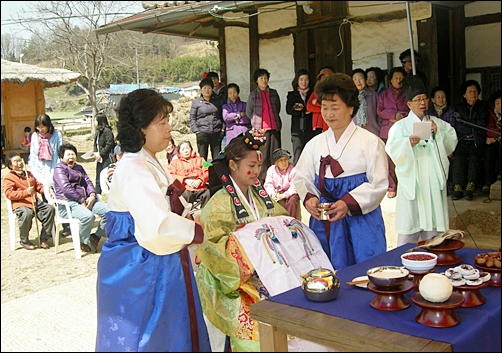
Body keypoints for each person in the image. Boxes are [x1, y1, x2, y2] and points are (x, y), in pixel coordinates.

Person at [195, 129, 334, 352]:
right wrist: (244, 244)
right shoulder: (219, 203)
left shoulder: (261, 198)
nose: (257, 171)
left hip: (270, 274)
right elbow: (212, 249)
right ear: (233, 165)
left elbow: (282, 224)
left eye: (259, 166)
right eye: (251, 166)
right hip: (238, 282)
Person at [95, 88, 211, 352]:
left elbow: (170, 210)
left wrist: (191, 218)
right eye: (162, 123)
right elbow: (158, 227)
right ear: (141, 129)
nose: (170, 129)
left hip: (157, 262)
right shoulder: (134, 169)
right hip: (141, 268)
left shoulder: (149, 161)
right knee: (150, 336)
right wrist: (197, 230)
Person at [294, 73, 389, 270]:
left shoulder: (370, 143)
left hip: (361, 221)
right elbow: (302, 176)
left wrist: (347, 203)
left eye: (335, 108)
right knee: (328, 274)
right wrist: (310, 197)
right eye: (325, 108)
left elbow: (378, 184)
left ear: (351, 108)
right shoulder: (314, 144)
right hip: (326, 219)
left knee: (366, 271)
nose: (328, 114)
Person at [385, 76, 458, 246]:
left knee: (434, 231)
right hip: (413, 182)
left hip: (432, 181)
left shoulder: (437, 123)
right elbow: (392, 149)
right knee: (410, 226)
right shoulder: (400, 127)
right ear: (409, 104)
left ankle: (435, 255)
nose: (422, 102)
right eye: (417, 99)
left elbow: (451, 143)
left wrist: (438, 132)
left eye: (424, 98)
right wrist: (407, 144)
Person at [53, 143, 107, 253]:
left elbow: (88, 182)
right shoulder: (59, 169)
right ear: (61, 157)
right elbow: (66, 188)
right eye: (68, 155)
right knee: (88, 216)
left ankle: (96, 237)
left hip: (86, 201)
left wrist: (92, 195)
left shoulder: (79, 168)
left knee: (111, 212)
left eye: (73, 154)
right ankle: (83, 241)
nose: (71, 157)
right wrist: (81, 200)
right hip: (68, 204)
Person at [2, 151, 54, 250]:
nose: (19, 163)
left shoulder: (29, 174)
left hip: (34, 201)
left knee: (49, 209)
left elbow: (38, 186)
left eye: (20, 160)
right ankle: (24, 240)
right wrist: (25, 192)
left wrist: (46, 191)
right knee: (27, 213)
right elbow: (9, 194)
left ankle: (44, 238)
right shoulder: (8, 178)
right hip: (20, 203)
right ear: (10, 165)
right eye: (16, 162)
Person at [451, 79, 489, 200]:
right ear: (464, 94)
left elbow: (482, 123)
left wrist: (467, 124)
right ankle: (458, 188)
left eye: (475, 91)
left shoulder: (483, 106)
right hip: (462, 140)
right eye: (470, 91)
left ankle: (470, 188)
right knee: (458, 158)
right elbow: (458, 125)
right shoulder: (459, 108)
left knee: (474, 158)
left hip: (476, 141)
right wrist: (472, 126)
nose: (473, 93)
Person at [246, 68, 283, 183]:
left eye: (265, 78)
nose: (264, 80)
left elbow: (278, 108)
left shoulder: (273, 93)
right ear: (256, 80)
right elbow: (249, 112)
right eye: (261, 78)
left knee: (275, 155)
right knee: (263, 157)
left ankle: (276, 180)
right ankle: (262, 181)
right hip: (260, 131)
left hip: (274, 128)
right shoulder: (253, 95)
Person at [377, 67, 409, 198]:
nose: (398, 80)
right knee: (388, 160)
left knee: (403, 158)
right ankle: (392, 186)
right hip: (387, 130)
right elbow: (379, 110)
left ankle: (404, 186)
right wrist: (393, 114)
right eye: (396, 77)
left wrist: (401, 115)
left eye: (401, 78)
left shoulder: (407, 94)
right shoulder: (383, 95)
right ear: (390, 79)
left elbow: (411, 110)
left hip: (403, 130)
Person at [427, 86, 456, 195]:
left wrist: (449, 146)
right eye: (438, 97)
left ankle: (450, 184)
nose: (441, 99)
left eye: (443, 97)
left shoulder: (451, 110)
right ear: (433, 99)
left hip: (446, 140)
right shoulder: (428, 112)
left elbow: (451, 128)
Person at [189, 77, 225, 161]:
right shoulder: (196, 102)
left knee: (217, 158)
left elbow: (222, 116)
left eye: (209, 88)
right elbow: (192, 118)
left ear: (212, 89)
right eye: (204, 88)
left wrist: (222, 129)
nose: (207, 90)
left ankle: (216, 173)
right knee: (202, 158)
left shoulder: (217, 102)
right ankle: (203, 173)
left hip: (216, 132)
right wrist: (196, 131)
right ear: (201, 89)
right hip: (202, 133)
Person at [168, 140, 211, 208]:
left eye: (187, 148)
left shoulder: (200, 160)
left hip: (200, 187)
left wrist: (200, 180)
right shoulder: (174, 163)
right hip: (185, 188)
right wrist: (185, 180)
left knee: (207, 193)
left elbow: (208, 171)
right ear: (179, 152)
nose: (186, 151)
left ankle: (205, 215)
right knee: (183, 195)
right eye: (183, 149)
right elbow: (171, 175)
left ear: (191, 149)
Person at [286, 68, 314, 165]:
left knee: (311, 156)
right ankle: (297, 178)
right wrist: (305, 111)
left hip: (311, 129)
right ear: (297, 81)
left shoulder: (313, 94)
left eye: (306, 79)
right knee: (298, 156)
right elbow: (289, 110)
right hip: (297, 130)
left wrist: (300, 109)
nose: (304, 82)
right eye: (301, 79)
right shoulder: (292, 95)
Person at [28, 114, 63, 190]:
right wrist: (33, 168)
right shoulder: (34, 136)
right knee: (45, 193)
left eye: (43, 127)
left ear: (48, 125)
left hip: (54, 168)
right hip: (40, 169)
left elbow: (60, 154)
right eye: (38, 127)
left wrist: (57, 169)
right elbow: (33, 154)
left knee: (56, 195)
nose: (40, 129)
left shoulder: (57, 135)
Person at [263, 148, 301, 220]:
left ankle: (289, 220)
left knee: (292, 201)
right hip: (277, 192)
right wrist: (273, 194)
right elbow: (268, 184)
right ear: (276, 162)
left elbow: (294, 186)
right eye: (281, 160)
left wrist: (285, 195)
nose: (284, 162)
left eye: (286, 159)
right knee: (271, 201)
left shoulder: (292, 170)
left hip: (290, 192)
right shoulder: (271, 170)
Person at [306, 66, 336, 136]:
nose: (325, 79)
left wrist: (316, 102)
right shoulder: (316, 91)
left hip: (331, 123)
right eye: (323, 77)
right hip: (317, 125)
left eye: (328, 77)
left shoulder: (336, 91)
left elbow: (332, 104)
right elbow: (308, 106)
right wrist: (324, 108)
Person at [351, 68, 381, 137]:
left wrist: (378, 127)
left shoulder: (373, 95)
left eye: (360, 78)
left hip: (372, 133)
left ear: (366, 80)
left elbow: (379, 114)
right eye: (355, 79)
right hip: (354, 135)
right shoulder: (349, 96)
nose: (358, 81)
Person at [482, 89, 501, 193]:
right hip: (492, 141)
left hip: (496, 140)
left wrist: (496, 136)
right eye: (497, 103)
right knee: (489, 150)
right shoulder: (491, 113)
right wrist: (497, 134)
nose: (500, 106)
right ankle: (487, 182)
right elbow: (489, 129)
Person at [93, 113, 115, 194]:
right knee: (98, 178)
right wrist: (95, 153)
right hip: (99, 159)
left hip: (106, 158)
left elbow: (109, 144)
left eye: (95, 120)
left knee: (106, 177)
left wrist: (101, 154)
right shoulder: (97, 132)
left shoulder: (107, 131)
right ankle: (97, 196)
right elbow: (95, 144)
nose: (94, 122)